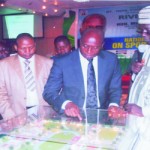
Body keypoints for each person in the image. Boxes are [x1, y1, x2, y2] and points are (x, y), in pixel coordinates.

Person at [43, 28, 126, 121]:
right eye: (85, 46)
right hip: (72, 117)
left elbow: (114, 88)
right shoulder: (62, 62)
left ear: (102, 45)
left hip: (103, 116)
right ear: (79, 42)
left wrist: (113, 105)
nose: (89, 51)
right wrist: (66, 104)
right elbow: (49, 92)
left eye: (95, 47)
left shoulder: (111, 60)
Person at [0, 33, 53, 122]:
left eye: (31, 47)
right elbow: (1, 94)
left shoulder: (48, 63)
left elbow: (55, 90)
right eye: (23, 48)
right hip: (16, 114)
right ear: (16, 47)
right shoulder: (4, 65)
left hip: (44, 114)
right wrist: (10, 116)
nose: (28, 51)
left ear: (35, 45)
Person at [118, 6, 150, 150]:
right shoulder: (147, 51)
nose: (143, 35)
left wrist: (144, 111)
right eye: (141, 30)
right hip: (137, 125)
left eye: (147, 30)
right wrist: (135, 72)